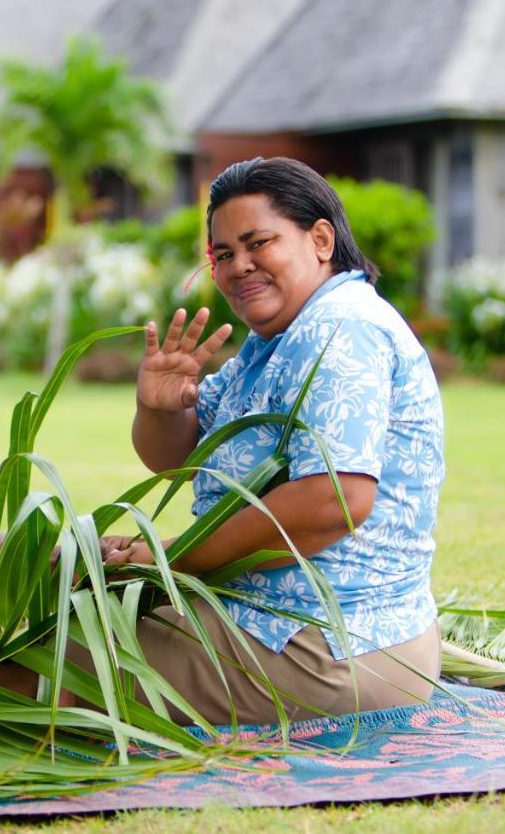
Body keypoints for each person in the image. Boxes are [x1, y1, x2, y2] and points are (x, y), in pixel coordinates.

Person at [92, 156, 445, 724]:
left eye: (259, 243)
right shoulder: (274, 343)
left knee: (36, 663)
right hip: (279, 622)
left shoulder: (341, 329)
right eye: (224, 254)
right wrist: (157, 409)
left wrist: (172, 559)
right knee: (64, 618)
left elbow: (335, 501)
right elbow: (178, 461)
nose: (239, 267)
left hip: (328, 644)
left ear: (321, 239)